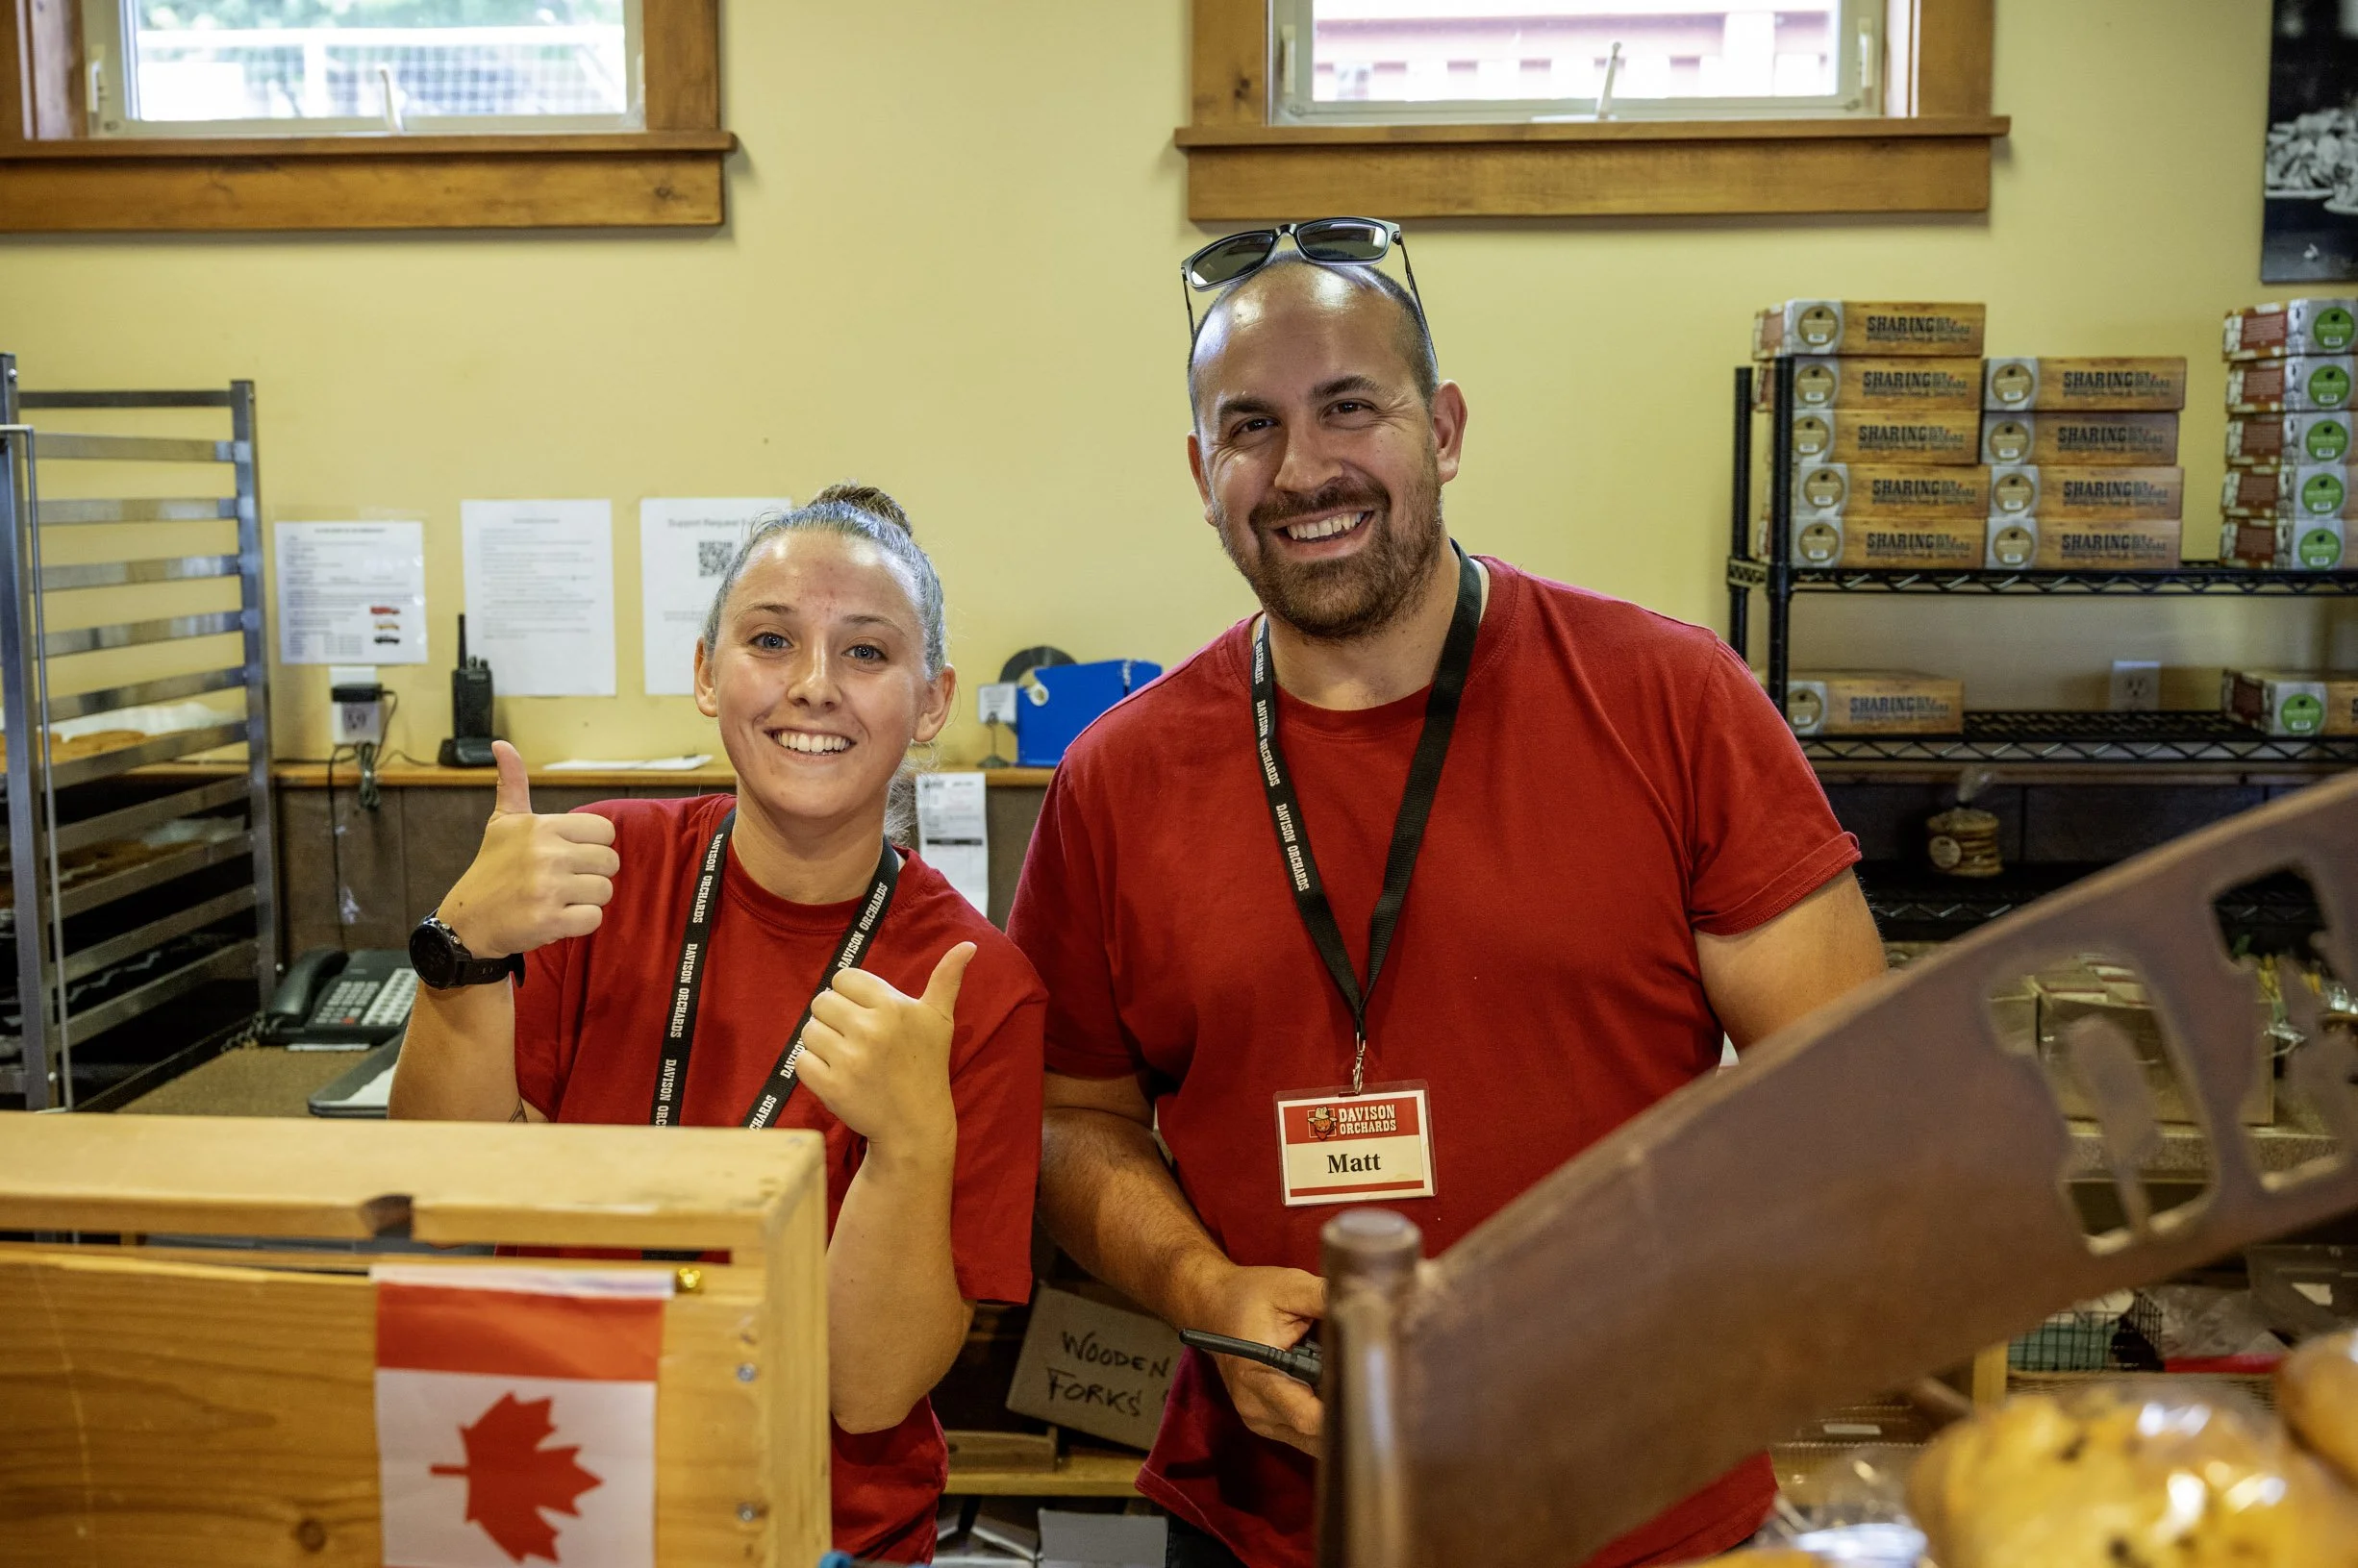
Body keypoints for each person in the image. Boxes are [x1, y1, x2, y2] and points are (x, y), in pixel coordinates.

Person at [1007, 232, 1889, 1568]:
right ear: (1201, 473)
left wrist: (1610, 1307)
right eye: (1251, 426)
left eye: (1349, 405)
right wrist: (1199, 1285)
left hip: (1633, 1507)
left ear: (1447, 429)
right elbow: (1071, 1120)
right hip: (1272, 1516)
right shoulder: (1115, 778)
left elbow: (1847, 1089)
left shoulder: (1671, 700)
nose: (1302, 469)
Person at [389, 484, 1045, 1564]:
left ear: (932, 700)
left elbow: (869, 1389)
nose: (814, 684)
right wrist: (464, 950)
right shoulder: (594, 875)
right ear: (706, 671)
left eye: (867, 651)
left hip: (805, 1519)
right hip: (545, 1482)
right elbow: (442, 1195)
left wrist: (910, 1142)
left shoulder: (972, 985)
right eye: (771, 639)